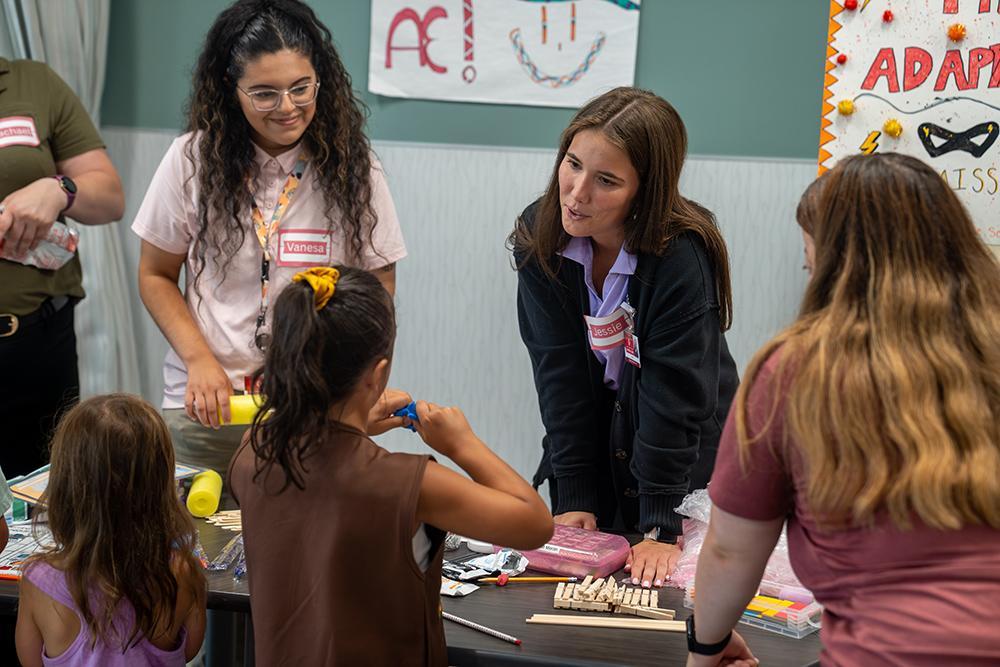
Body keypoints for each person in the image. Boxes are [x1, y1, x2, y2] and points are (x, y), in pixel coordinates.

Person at [688, 153, 1000, 667]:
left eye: (811, 265)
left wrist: (706, 649)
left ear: (834, 269)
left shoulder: (794, 371)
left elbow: (729, 551)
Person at [132, 0, 406, 476]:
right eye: (264, 93)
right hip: (207, 410)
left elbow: (379, 288)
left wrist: (357, 388)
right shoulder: (190, 160)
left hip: (315, 410)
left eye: (301, 88)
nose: (287, 108)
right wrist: (198, 359)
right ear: (229, 89)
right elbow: (155, 274)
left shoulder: (354, 167)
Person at [228, 266, 553, 665]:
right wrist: (463, 445)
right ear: (378, 374)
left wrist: (356, 421)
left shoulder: (252, 451)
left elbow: (320, 478)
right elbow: (535, 522)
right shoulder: (409, 483)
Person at [510, 87, 738, 589]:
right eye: (572, 164)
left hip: (680, 457)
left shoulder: (680, 256)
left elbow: (673, 397)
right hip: (596, 441)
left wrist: (661, 520)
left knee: (664, 593)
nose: (576, 193)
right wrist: (574, 497)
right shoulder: (541, 235)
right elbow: (559, 376)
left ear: (646, 191)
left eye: (606, 180)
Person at [0, 57, 125, 478]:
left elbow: (109, 197)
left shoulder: (32, 82)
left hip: (37, 344)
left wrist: (59, 190)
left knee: (50, 504)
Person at [15, 394, 207, 666]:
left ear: (64, 486)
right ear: (161, 483)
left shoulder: (38, 580)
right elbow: (190, 649)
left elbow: (29, 660)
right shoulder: (182, 571)